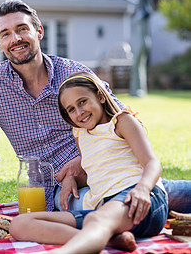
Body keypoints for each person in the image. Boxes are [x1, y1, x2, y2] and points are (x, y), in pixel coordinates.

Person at [0, 0, 190, 213]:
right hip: (58, 190)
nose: (15, 38)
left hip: (108, 168)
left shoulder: (73, 73)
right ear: (1, 45)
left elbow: (123, 118)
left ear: (39, 32)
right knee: (103, 207)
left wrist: (83, 159)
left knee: (156, 194)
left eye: (22, 29)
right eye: (6, 34)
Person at [9, 71, 168, 253]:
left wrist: (143, 189)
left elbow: (152, 163)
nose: (79, 112)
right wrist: (73, 179)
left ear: (100, 96)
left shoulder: (122, 121)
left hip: (139, 199)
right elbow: (98, 170)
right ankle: (109, 239)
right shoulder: (80, 134)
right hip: (105, 207)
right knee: (21, 224)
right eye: (71, 109)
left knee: (98, 220)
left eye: (82, 102)